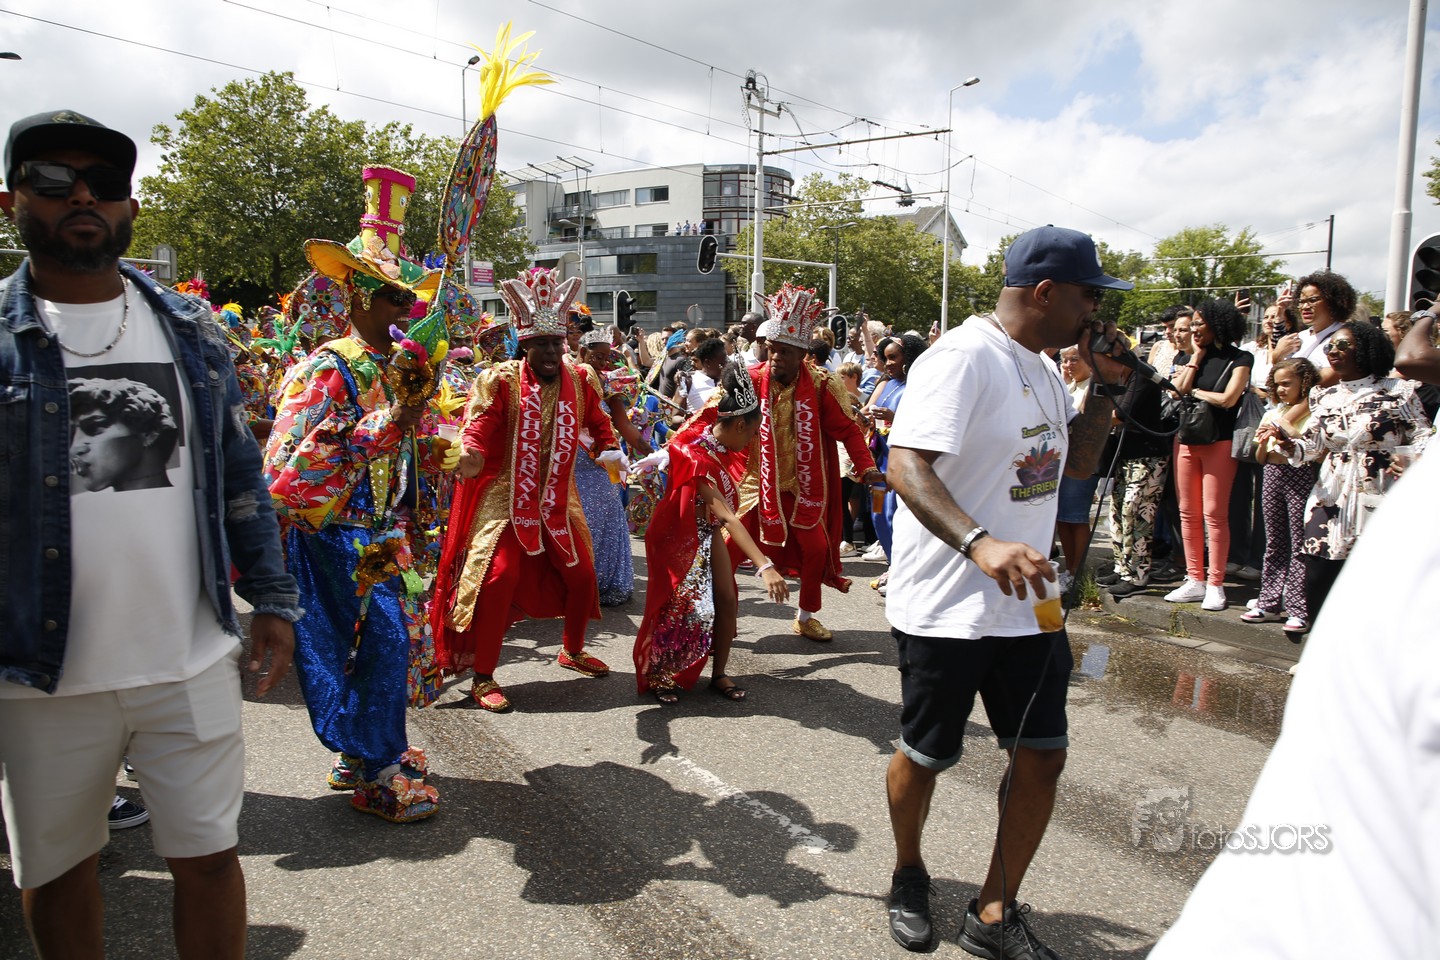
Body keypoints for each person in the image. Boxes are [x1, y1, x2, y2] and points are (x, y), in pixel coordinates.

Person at [0, 109, 300, 958]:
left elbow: (239, 474)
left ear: (130, 207)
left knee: (210, 860)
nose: (81, 196)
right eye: (52, 181)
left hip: (189, 659)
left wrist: (272, 598)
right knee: (58, 871)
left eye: (104, 182)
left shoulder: (189, 327)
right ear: (11, 201)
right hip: (42, 677)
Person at [883, 225, 1132, 955]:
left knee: (1042, 755)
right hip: (949, 608)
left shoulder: (1047, 367)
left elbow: (1073, 465)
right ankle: (908, 871)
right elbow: (905, 465)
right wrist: (980, 542)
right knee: (927, 755)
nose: (1096, 308)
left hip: (1031, 605)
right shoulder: (963, 357)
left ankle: (993, 911)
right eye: (1089, 294)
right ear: (1046, 292)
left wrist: (1106, 388)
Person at [1148, 446, 1440, 960]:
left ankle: (1270, 598)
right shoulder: (1422, 499)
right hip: (1280, 912)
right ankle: (1272, 599)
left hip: (1369, 919)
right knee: (1292, 545)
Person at [264, 165, 448, 822]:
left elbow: (409, 446)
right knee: (378, 642)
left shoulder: (401, 365)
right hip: (338, 534)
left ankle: (361, 750)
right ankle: (378, 768)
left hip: (386, 531)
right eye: (396, 297)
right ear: (360, 297)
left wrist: (435, 446)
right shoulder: (325, 367)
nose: (407, 309)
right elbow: (288, 466)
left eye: (409, 298)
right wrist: (390, 420)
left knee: (382, 645)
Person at [431, 268, 625, 712]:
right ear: (525, 345)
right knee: (498, 578)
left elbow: (598, 423)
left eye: (557, 343)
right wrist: (468, 455)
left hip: (558, 499)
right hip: (504, 497)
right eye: (542, 344)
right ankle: (483, 675)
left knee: (582, 576)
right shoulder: (500, 380)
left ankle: (572, 650)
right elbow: (478, 428)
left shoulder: (581, 379)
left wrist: (610, 450)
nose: (553, 351)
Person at [675, 283, 883, 641]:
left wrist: (866, 467)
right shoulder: (750, 379)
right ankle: (712, 615)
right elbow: (712, 414)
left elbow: (848, 430)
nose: (775, 358)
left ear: (802, 353)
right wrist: (676, 444)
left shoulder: (822, 384)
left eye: (785, 352)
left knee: (816, 550)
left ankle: (805, 616)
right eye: (771, 350)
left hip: (805, 486)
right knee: (725, 550)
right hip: (756, 483)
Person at [1257, 320, 1432, 636]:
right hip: (1331, 494)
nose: (1333, 351)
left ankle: (1370, 645)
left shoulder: (1398, 391)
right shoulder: (1324, 396)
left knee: (1373, 575)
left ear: (1365, 350)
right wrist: (1288, 443)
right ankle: (1324, 643)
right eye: (1329, 346)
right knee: (1318, 573)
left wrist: (1410, 459)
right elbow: (1312, 447)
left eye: (1342, 345)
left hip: (1379, 491)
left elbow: (1423, 434)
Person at [633, 362, 790, 703]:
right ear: (738, 425)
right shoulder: (697, 457)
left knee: (727, 599)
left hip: (706, 528)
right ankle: (660, 671)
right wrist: (764, 566)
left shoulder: (712, 436)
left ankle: (719, 673)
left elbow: (699, 423)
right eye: (751, 432)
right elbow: (728, 516)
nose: (752, 440)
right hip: (677, 535)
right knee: (679, 606)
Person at [1163, 297, 1252, 611]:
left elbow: (1228, 399)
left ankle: (1215, 583)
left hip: (1220, 442)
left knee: (1214, 514)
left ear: (1219, 325)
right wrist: (1196, 358)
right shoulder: (1193, 356)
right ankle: (1194, 579)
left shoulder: (1241, 358)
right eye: (1193, 324)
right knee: (1188, 512)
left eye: (1200, 324)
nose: (1194, 330)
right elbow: (1176, 392)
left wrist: (1196, 391)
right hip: (1187, 439)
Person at [1241, 358, 1320, 634]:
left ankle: (1298, 608)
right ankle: (1269, 602)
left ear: (1304, 383)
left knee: (1299, 542)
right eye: (1277, 385)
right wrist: (1265, 441)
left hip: (1300, 474)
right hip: (1273, 474)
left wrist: (1284, 429)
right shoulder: (1272, 413)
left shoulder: (1313, 413)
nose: (1281, 389)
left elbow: (1310, 448)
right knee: (1274, 540)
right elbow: (1260, 457)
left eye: (1287, 384)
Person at [574, 328, 637, 606]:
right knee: (580, 520)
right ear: (582, 352)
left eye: (605, 357)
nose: (601, 362)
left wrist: (650, 450)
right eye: (596, 356)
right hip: (573, 459)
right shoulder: (565, 379)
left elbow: (623, 424)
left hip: (605, 458)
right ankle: (576, 583)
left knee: (609, 516)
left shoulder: (610, 384)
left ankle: (605, 581)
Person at [1053, 344, 1098, 587]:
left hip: (1081, 460)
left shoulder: (1093, 385)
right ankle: (1069, 569)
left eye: (1074, 359)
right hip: (1061, 459)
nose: (1069, 365)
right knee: (1062, 517)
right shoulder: (1067, 384)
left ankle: (1077, 571)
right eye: (1065, 360)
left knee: (1076, 516)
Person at [1270, 269, 1354, 388]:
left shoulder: (1344, 338)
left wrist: (1278, 358)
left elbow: (1323, 381)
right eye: (1301, 302)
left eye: (1313, 300)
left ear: (1333, 302)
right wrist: (1277, 355)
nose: (1305, 307)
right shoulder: (1298, 337)